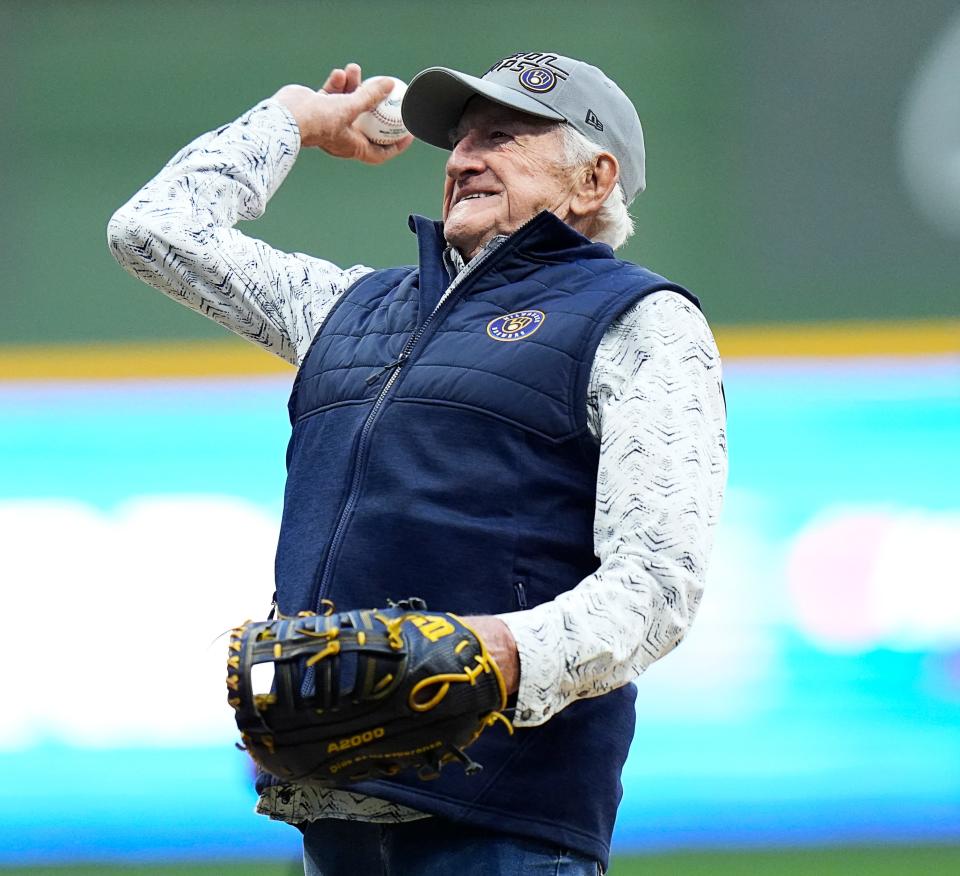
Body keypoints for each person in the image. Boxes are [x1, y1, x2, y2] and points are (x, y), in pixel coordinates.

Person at [108, 51, 727, 876]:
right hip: (335, 821)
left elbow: (658, 584)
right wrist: (291, 120)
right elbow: (151, 232)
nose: (465, 157)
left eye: (502, 136)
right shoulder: (348, 308)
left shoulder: (640, 324)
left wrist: (494, 655)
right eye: (460, 140)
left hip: (505, 826)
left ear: (592, 180)